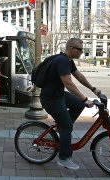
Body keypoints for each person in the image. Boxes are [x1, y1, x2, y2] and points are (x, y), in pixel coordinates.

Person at [40, 38, 101, 170]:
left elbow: (79, 76)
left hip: (58, 95)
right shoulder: (62, 61)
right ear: (71, 49)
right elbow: (68, 84)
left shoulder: (68, 60)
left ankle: (62, 127)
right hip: (51, 99)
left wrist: (93, 89)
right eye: (80, 49)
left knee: (78, 105)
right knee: (67, 127)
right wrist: (85, 99)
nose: (81, 52)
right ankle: (64, 158)